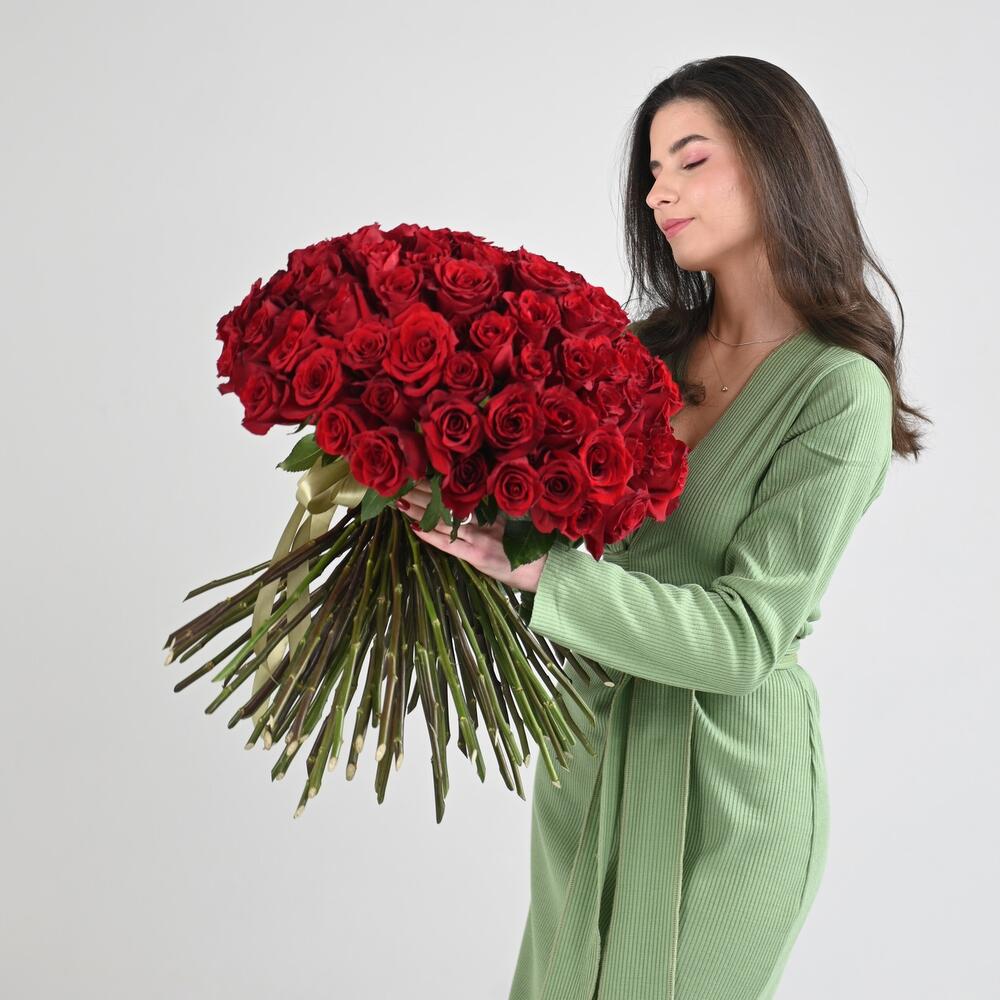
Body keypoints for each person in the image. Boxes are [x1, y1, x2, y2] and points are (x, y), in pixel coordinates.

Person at [397, 55, 927, 1000]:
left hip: (728, 793)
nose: (657, 193)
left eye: (691, 160)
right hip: (592, 758)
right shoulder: (640, 355)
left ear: (776, 162)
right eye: (651, 170)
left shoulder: (836, 390)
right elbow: (537, 528)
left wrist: (544, 577)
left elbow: (746, 639)